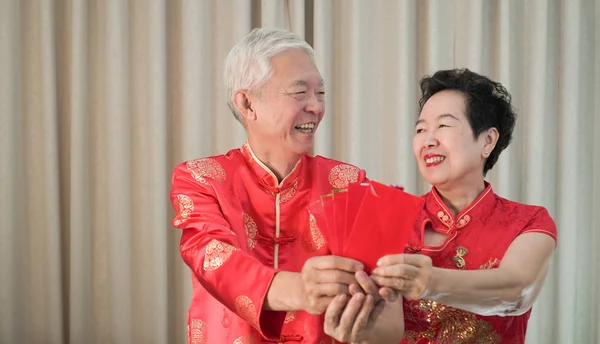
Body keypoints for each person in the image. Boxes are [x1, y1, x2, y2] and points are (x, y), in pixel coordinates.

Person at [169, 28, 403, 344]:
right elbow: (212, 258)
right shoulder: (201, 178)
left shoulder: (348, 183)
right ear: (247, 104)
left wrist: (362, 319)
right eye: (299, 93)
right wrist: (303, 289)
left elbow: (387, 321)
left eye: (320, 93)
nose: (316, 107)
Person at [369, 68, 558, 343]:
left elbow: (517, 291)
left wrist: (428, 282)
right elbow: (385, 332)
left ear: (487, 140)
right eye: (421, 129)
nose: (428, 140)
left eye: (444, 125)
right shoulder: (391, 220)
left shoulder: (529, 221)